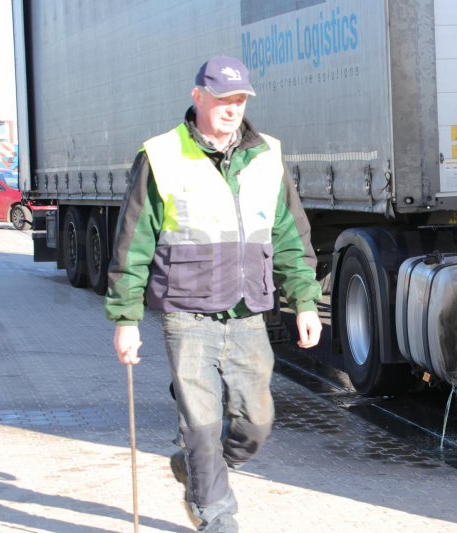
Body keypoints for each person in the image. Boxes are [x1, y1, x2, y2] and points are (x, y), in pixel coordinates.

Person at [105, 56, 323, 533]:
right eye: (222, 98)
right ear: (197, 96)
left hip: (247, 314)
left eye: (240, 99)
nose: (232, 108)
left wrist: (304, 301)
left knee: (256, 424)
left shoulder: (267, 154)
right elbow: (134, 240)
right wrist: (126, 319)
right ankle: (215, 513)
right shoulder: (161, 155)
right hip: (186, 313)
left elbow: (288, 234)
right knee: (201, 426)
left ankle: (198, 471)